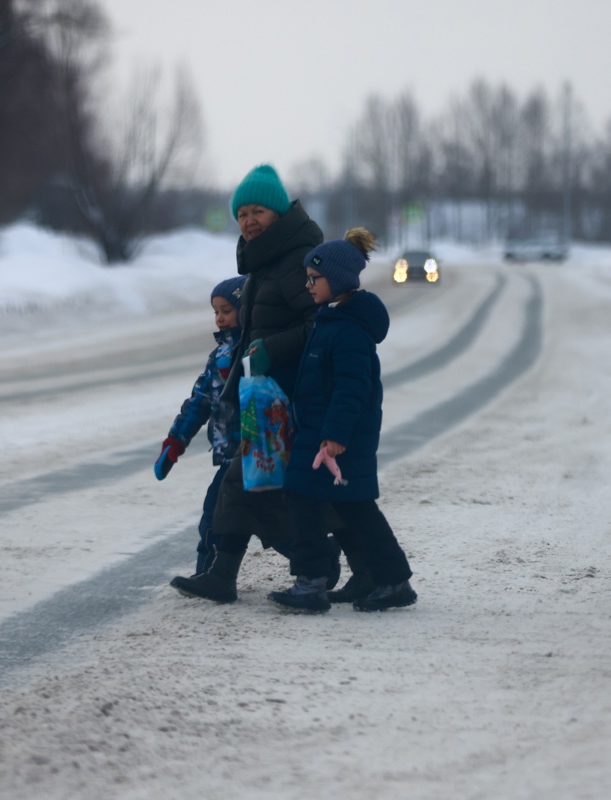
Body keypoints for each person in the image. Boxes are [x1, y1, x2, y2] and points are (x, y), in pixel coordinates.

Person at [171, 163, 338, 603]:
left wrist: (272, 351)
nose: (248, 221)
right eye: (241, 213)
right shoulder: (267, 260)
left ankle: (318, 560)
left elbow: (319, 323)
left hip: (289, 393)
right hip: (262, 393)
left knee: (251, 483)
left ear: (279, 213)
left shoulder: (293, 262)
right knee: (248, 482)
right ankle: (225, 575)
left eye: (258, 210)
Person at [267, 227, 417, 613]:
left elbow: (352, 388)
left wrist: (334, 435)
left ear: (338, 281)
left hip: (335, 439)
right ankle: (391, 579)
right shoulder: (330, 321)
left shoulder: (349, 332)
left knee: (319, 501)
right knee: (350, 509)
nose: (308, 284)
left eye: (314, 279)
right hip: (320, 434)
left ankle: (312, 582)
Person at [156, 276, 246, 576]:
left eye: (227, 310)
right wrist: (175, 442)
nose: (219, 318)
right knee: (221, 516)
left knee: (222, 515)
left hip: (252, 453)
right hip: (231, 454)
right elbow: (199, 402)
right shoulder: (219, 354)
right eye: (216, 311)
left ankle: (208, 574)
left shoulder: (254, 352)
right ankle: (206, 573)